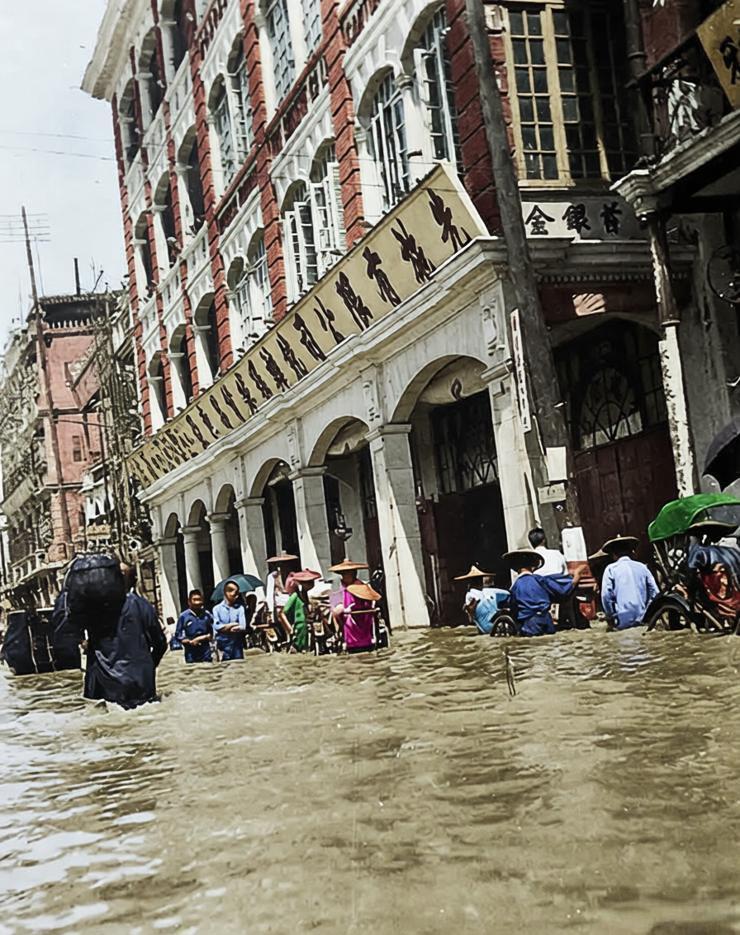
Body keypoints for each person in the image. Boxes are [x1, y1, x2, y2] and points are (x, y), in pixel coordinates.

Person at [83, 562, 167, 709]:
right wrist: (148, 667)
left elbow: (91, 649)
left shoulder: (95, 609)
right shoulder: (144, 606)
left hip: (109, 688)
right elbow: (160, 643)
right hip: (141, 684)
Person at [504, 548, 584, 637]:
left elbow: (512, 606)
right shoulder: (540, 580)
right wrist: (575, 578)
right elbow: (561, 590)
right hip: (547, 621)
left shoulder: (515, 586)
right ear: (532, 566)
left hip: (530, 625)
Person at [600, 534, 660, 630]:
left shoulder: (611, 569)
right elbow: (655, 592)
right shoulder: (643, 567)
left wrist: (610, 616)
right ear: (632, 552)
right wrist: (647, 612)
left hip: (621, 620)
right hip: (643, 617)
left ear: (614, 555)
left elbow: (606, 596)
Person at [280, 569, 322, 651]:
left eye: (311, 582)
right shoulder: (295, 596)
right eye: (307, 583)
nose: (310, 585)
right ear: (302, 584)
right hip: (299, 628)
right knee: (298, 648)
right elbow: (282, 613)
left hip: (309, 627)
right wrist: (289, 629)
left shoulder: (309, 596)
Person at [175, 590, 214, 663]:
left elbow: (212, 630)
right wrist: (187, 641)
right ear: (189, 601)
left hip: (205, 650)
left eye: (199, 600)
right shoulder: (184, 616)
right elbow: (178, 634)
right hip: (191, 651)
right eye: (195, 600)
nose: (197, 603)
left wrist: (203, 638)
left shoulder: (207, 615)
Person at [212, 580, 247, 660]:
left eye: (237, 593)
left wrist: (225, 628)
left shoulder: (240, 608)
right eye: (234, 593)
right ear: (226, 592)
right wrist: (233, 624)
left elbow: (243, 626)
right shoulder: (216, 609)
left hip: (237, 644)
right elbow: (217, 627)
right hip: (222, 645)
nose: (236, 596)